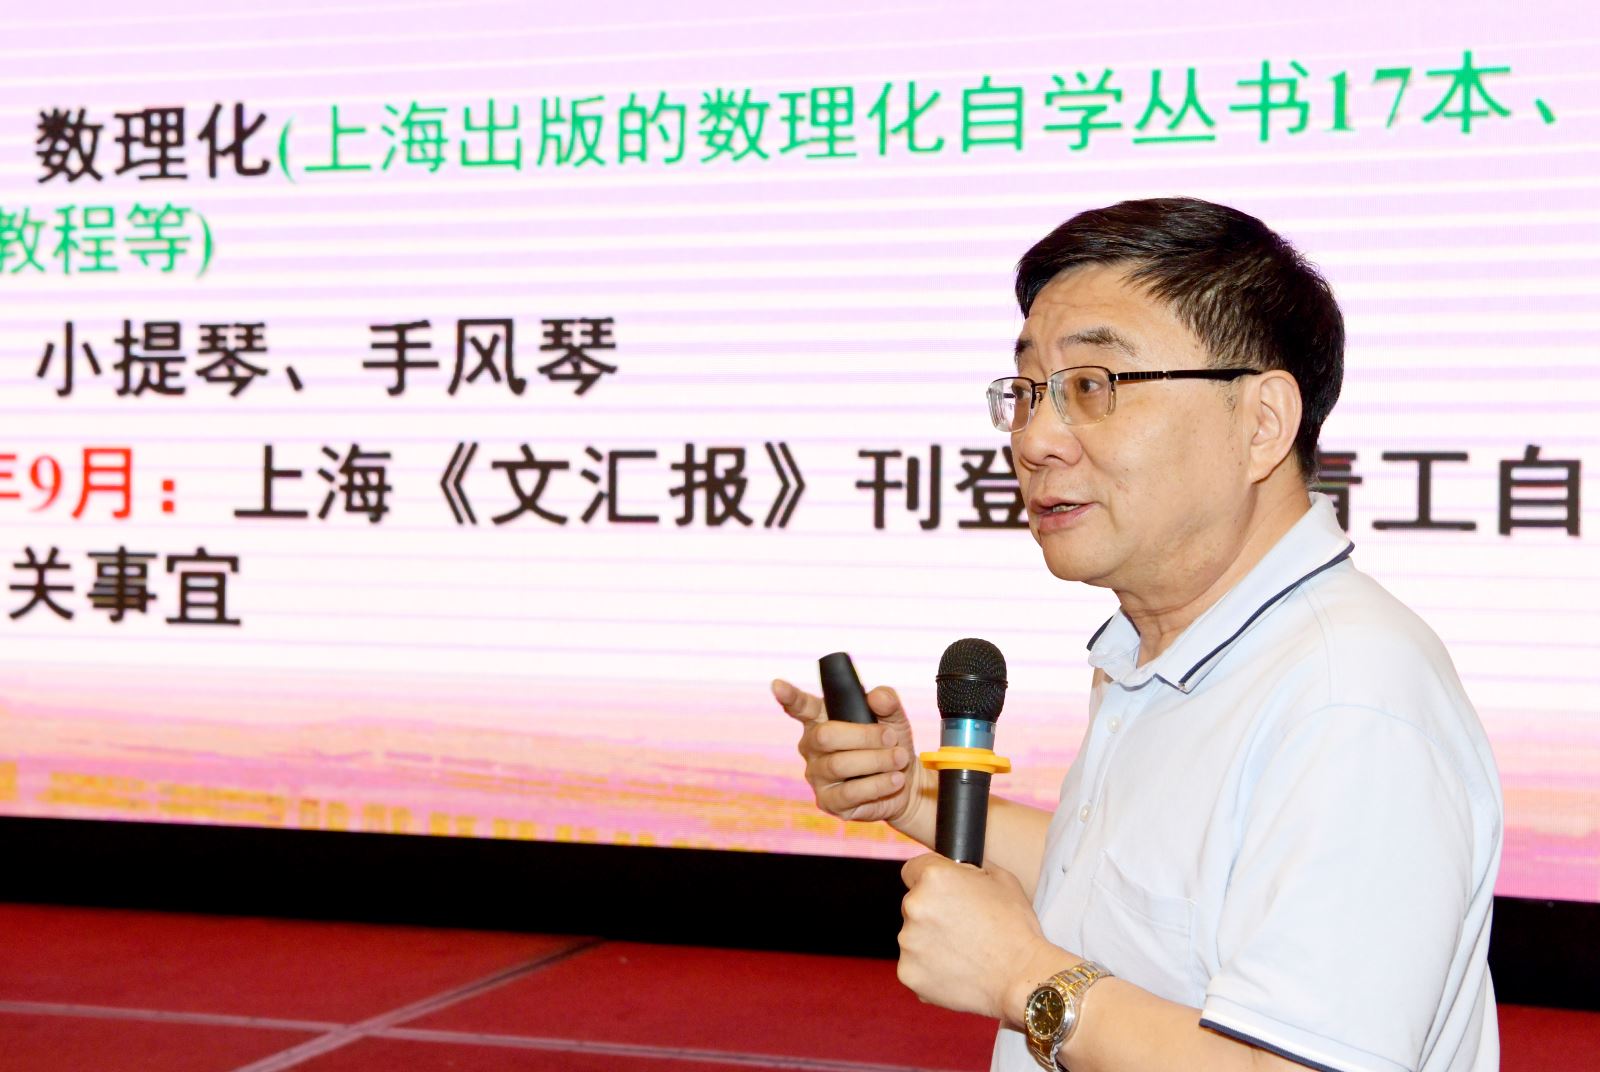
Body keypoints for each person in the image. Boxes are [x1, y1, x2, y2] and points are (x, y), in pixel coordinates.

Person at [771, 198, 1502, 1072]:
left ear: (1262, 423)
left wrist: (1024, 980)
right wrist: (908, 795)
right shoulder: (1164, 650)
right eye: (1028, 392)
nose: (1036, 440)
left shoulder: (1350, 698)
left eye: (1093, 387)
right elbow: (1122, 888)